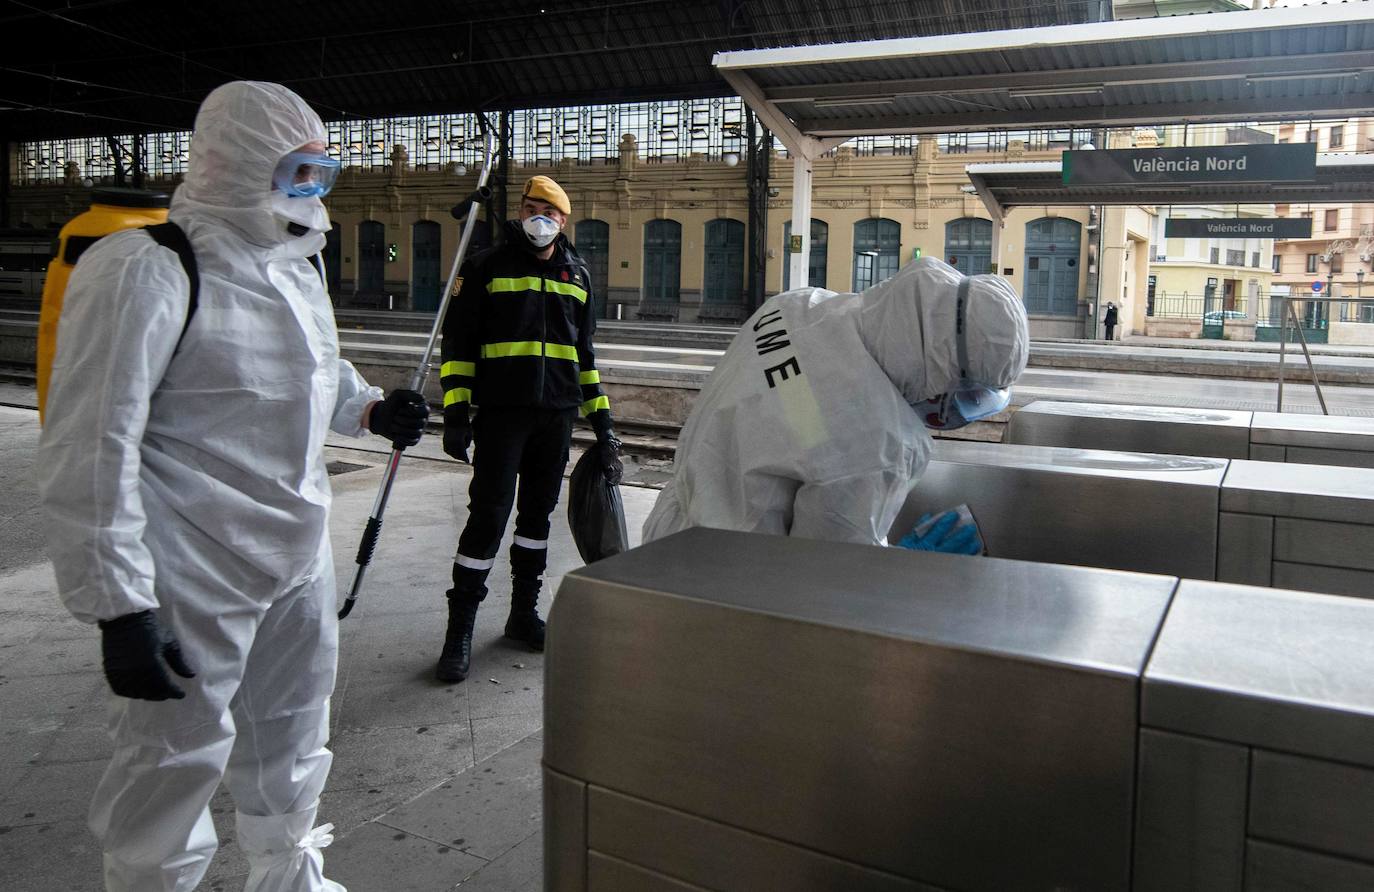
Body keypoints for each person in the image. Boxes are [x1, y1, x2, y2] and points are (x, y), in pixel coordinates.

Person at [36, 81, 429, 892]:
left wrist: (369, 408)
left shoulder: (294, 268)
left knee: (292, 737)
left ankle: (288, 879)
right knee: (171, 762)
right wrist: (116, 601)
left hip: (294, 552)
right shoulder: (147, 267)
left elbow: (310, 373)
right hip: (190, 564)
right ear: (245, 162)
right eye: (299, 172)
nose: (314, 193)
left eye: (322, 174)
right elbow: (91, 443)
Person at [642, 257, 1028, 547]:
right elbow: (828, 574)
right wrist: (906, 568)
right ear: (942, 363)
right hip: (733, 586)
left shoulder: (797, 306)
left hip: (668, 537)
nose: (959, 408)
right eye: (971, 394)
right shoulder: (878, 442)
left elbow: (804, 424)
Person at [436, 175, 621, 682]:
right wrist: (455, 413)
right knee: (487, 518)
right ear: (521, 210)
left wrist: (603, 426)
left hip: (556, 418)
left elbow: (585, 359)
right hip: (502, 416)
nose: (542, 218)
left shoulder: (577, 275)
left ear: (564, 221)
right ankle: (461, 631)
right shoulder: (484, 268)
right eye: (534, 207)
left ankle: (522, 616)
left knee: (536, 521)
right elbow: (458, 347)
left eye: (552, 212)